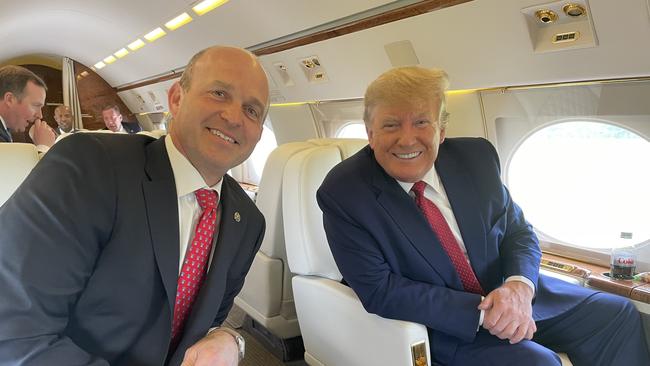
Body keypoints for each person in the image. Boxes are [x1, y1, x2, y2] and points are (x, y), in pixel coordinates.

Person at [317, 66, 650, 366]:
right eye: (391, 125)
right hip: (442, 322)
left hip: (511, 294)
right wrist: (485, 313)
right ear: (370, 132)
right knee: (537, 363)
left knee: (615, 315)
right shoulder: (345, 192)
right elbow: (381, 290)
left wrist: (519, 287)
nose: (407, 138)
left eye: (421, 122)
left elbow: (518, 233)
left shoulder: (475, 157)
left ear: (441, 130)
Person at [0, 46, 270, 366]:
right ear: (176, 98)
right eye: (219, 93)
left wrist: (231, 338)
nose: (234, 117)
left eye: (252, 110)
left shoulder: (248, 222)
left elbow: (212, 321)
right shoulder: (90, 166)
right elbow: (15, 332)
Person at [0, 65, 55, 151]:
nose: (40, 115)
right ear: (10, 99)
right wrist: (43, 147)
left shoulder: (5, 131)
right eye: (36, 105)